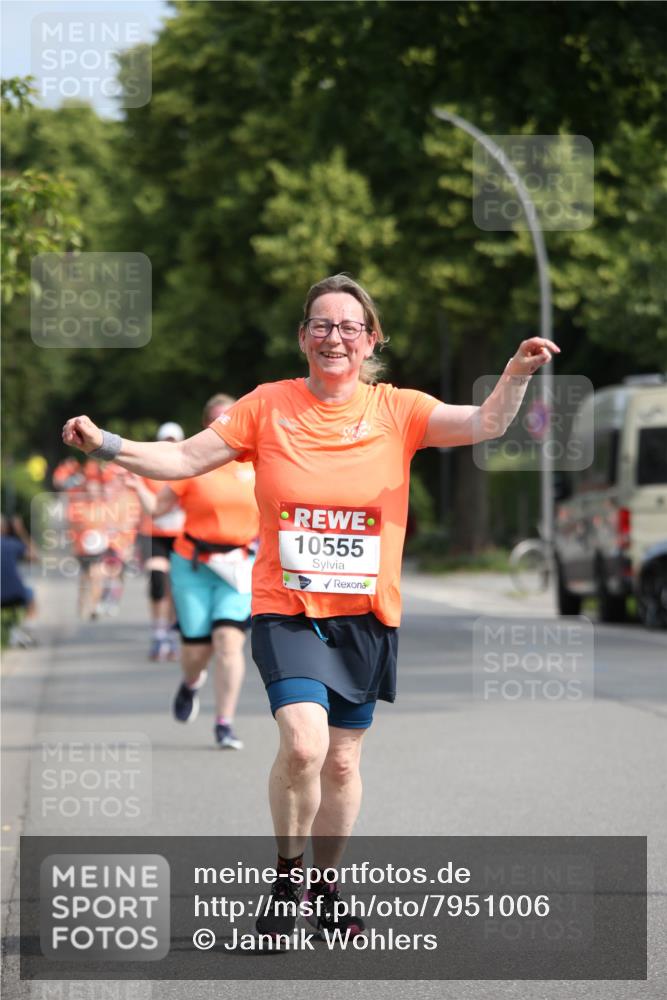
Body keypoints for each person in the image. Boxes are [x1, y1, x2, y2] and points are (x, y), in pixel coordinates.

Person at [62, 273, 560, 938]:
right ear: (302, 338)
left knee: (344, 762)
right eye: (321, 325)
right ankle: (286, 877)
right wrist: (108, 445)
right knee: (302, 746)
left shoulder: (399, 410)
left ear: (370, 339)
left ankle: (326, 886)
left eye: (349, 326)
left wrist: (515, 372)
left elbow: (486, 422)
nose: (335, 337)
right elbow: (183, 459)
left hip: (366, 616)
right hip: (285, 607)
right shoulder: (267, 406)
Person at [128, 396, 259, 750]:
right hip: (194, 565)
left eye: (232, 418)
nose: (227, 426)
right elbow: (157, 508)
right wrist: (137, 482)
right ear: (208, 427)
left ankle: (224, 723)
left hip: (237, 566)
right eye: (218, 420)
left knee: (230, 643)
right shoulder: (195, 467)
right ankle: (190, 683)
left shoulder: (258, 465)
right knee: (196, 653)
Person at [135, 422, 186, 661]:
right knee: (157, 582)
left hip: (181, 534)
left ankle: (172, 633)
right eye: (165, 440)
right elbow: (143, 503)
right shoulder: (148, 469)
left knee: (177, 586)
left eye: (173, 441)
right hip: (153, 532)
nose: (169, 445)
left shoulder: (190, 468)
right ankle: (158, 634)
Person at [1, 514, 38, 647]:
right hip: (16, 593)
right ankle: (24, 633)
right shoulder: (13, 544)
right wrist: (21, 532)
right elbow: (34, 556)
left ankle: (14, 634)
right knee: (31, 594)